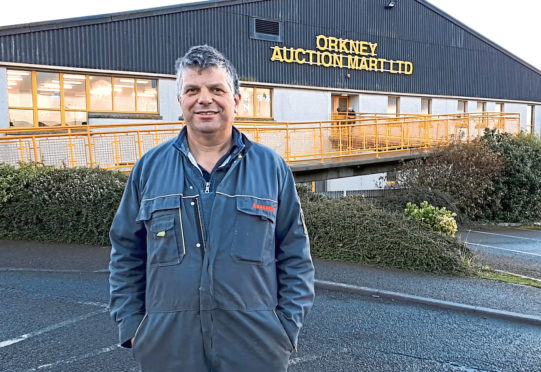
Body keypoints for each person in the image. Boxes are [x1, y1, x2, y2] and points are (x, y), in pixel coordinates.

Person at [109, 45, 315, 372]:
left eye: (216, 89)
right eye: (192, 90)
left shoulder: (271, 168)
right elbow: (126, 251)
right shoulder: (149, 169)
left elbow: (295, 254)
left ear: (236, 100)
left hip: (256, 352)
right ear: (180, 101)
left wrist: (286, 328)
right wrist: (134, 327)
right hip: (168, 352)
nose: (204, 99)